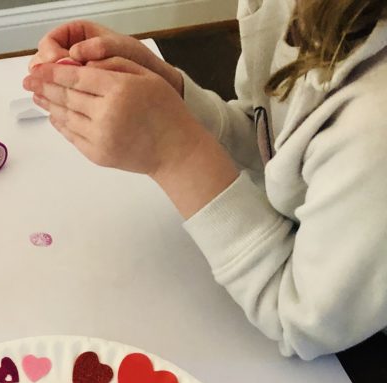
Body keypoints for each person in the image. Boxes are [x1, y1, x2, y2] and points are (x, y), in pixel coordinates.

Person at [23, 1, 387, 359]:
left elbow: (305, 322)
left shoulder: (374, 125)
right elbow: (276, 146)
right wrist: (173, 98)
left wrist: (175, 151)